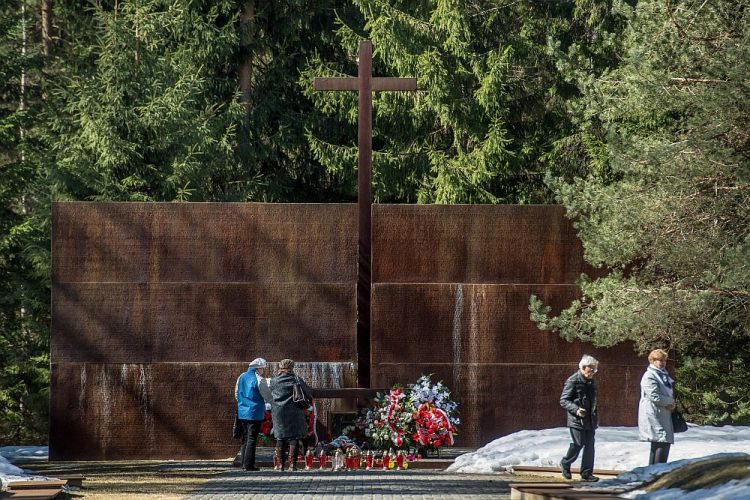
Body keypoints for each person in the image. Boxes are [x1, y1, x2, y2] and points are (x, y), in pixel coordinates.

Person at [559, 354, 600, 482]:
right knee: (578, 443)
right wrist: (576, 410)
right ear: (583, 367)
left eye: (595, 370)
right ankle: (566, 462)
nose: (593, 372)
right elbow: (563, 400)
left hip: (589, 419)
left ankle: (587, 473)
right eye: (591, 369)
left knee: (589, 446)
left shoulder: (590, 382)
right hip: (576, 420)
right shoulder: (573, 380)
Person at [267, 359, 312, 471]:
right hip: (294, 411)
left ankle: (281, 465)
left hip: (278, 412)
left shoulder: (273, 381)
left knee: (280, 437)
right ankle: (293, 465)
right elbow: (308, 393)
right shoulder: (296, 379)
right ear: (291, 368)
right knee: (294, 437)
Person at [638, 349, 676, 465]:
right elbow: (654, 396)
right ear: (652, 361)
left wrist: (670, 403)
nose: (662, 363)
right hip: (654, 413)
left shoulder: (663, 375)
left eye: (664, 360)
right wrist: (670, 402)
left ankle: (655, 471)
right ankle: (655, 472)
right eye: (659, 360)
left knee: (662, 442)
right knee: (661, 440)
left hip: (663, 412)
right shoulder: (649, 375)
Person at [235, 357, 267, 471]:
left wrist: (242, 404)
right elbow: (266, 395)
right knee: (252, 438)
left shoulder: (241, 377)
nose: (263, 371)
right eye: (263, 368)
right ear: (259, 368)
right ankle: (249, 464)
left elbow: (236, 393)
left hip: (242, 411)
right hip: (255, 412)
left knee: (245, 438)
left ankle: (243, 463)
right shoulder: (259, 379)